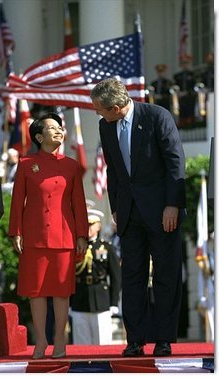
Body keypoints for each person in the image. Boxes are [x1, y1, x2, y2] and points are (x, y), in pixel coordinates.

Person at [90, 78, 186, 357]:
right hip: (129, 213)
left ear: (117, 107)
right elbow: (112, 169)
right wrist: (116, 207)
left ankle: (164, 339)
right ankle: (135, 340)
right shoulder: (105, 125)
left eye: (100, 109)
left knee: (166, 275)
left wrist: (173, 205)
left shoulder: (157, 116)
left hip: (161, 212)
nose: (98, 113)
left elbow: (175, 162)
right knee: (132, 276)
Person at [8, 112, 88, 359]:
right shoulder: (25, 163)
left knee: (62, 291)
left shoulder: (72, 166)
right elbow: (17, 201)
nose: (59, 131)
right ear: (40, 136)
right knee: (37, 291)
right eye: (52, 128)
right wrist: (16, 232)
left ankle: (59, 339)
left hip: (64, 236)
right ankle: (41, 340)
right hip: (34, 235)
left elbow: (79, 204)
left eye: (60, 128)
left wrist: (82, 235)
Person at [70, 209, 121, 345]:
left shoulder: (107, 248)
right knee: (81, 343)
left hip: (101, 300)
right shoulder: (75, 248)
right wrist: (69, 302)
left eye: (90, 225)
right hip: (80, 299)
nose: (87, 228)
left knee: (102, 342)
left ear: (98, 226)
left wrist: (114, 302)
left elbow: (116, 276)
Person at [173, 55, 196, 126]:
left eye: (186, 63)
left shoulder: (193, 74)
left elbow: (195, 87)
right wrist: (178, 92)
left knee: (190, 112)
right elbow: (175, 86)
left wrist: (187, 92)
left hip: (190, 97)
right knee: (181, 112)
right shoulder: (177, 76)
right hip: (180, 97)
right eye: (183, 63)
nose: (185, 65)